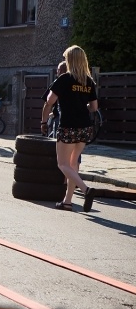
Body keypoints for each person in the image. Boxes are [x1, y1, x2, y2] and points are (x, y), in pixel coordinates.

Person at [41, 45, 100, 212]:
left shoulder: (65, 79)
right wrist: (82, 106)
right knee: (74, 163)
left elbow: (50, 101)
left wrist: (44, 121)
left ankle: (86, 190)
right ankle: (67, 201)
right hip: (85, 128)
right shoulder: (88, 81)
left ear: (70, 60)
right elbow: (94, 107)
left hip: (68, 126)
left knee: (62, 164)